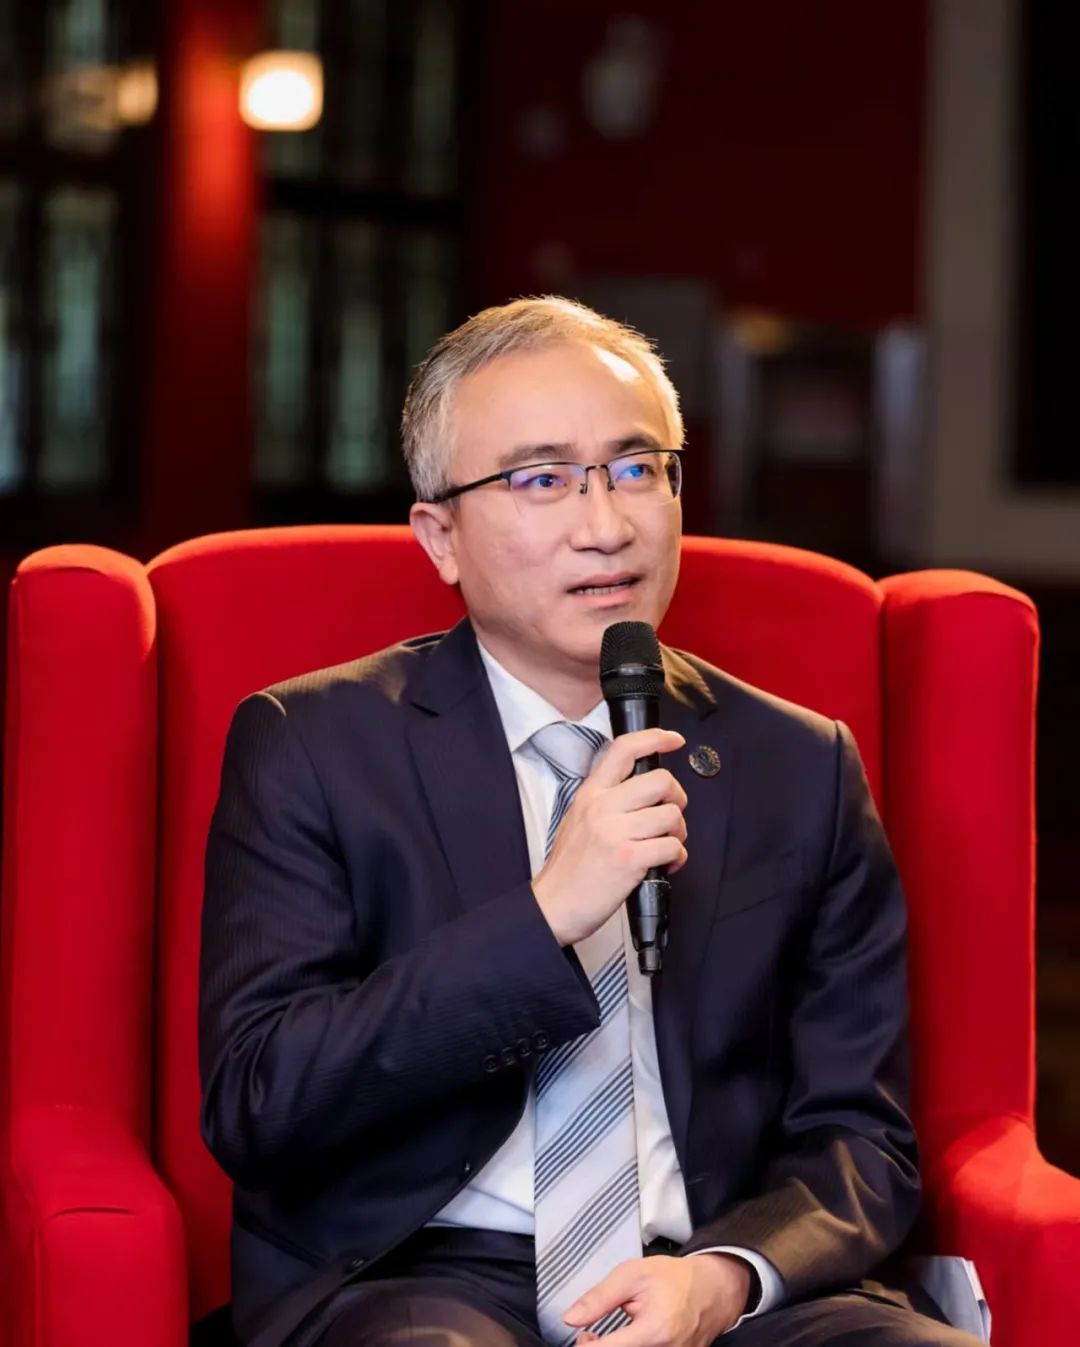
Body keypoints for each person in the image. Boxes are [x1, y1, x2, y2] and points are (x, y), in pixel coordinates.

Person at [199, 297, 985, 1347]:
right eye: (541, 479)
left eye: (635, 468)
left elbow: (860, 1137)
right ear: (440, 537)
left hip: (713, 1272)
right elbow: (260, 1099)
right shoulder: (313, 744)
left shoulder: (800, 764)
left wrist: (725, 1279)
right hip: (428, 1273)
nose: (606, 525)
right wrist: (545, 916)